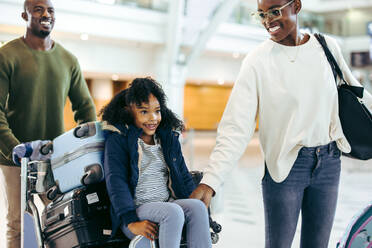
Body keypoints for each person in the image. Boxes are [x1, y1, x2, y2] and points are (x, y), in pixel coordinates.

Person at [190, 0, 372, 248]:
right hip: (286, 170)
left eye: (275, 11)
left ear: (296, 6)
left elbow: (360, 98)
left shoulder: (327, 47)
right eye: (262, 14)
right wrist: (211, 180)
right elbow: (236, 127)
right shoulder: (257, 61)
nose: (268, 21)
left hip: (330, 162)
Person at [0, 0, 97, 247]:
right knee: (18, 223)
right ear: (25, 15)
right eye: (38, 9)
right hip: (15, 158)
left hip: (56, 157)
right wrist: (14, 149)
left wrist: (82, 151)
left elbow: (85, 108)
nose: (46, 14)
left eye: (50, 10)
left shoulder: (68, 59)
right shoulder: (6, 55)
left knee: (60, 219)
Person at [101, 77, 212, 248]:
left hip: (166, 204)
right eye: (144, 112)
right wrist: (130, 221)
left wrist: (205, 216)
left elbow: (183, 174)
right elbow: (116, 182)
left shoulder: (167, 138)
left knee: (197, 207)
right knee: (173, 212)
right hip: (135, 212)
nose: (153, 118)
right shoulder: (119, 140)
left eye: (157, 111)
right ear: (128, 111)